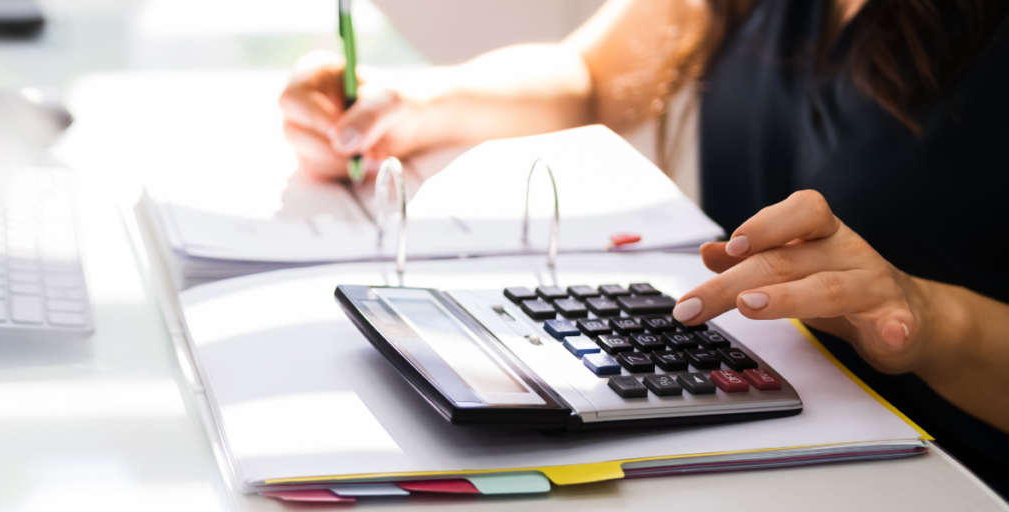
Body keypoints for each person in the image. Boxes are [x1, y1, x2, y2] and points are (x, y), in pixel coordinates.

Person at [279, 0, 1009, 494]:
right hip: (748, 438)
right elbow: (591, 76)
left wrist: (930, 322)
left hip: (946, 477)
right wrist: (417, 106)